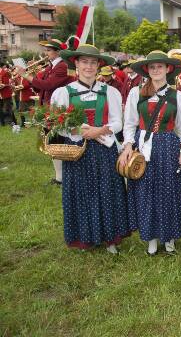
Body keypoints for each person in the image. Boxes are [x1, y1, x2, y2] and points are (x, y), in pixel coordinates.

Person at [51, 44, 133, 253]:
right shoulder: (63, 92)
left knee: (108, 191)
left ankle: (110, 238)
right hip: (76, 150)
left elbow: (118, 122)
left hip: (104, 149)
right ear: (76, 64)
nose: (88, 66)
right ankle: (85, 237)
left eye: (93, 62)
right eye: (84, 62)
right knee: (81, 192)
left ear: (99, 65)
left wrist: (98, 131)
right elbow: (57, 123)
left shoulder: (110, 91)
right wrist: (78, 130)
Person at [118, 50, 181, 256]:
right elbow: (130, 124)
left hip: (168, 146)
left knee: (168, 191)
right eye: (152, 67)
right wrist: (128, 146)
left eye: (160, 66)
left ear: (168, 69)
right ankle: (151, 237)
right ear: (147, 70)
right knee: (145, 191)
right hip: (143, 149)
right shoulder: (136, 93)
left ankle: (168, 238)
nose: (156, 70)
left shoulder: (178, 96)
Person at [15, 39, 73, 185]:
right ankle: (59, 177)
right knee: (52, 143)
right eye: (45, 50)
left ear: (57, 51)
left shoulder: (62, 66)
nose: (45, 53)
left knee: (57, 143)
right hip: (49, 109)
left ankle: (62, 178)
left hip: (58, 110)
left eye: (48, 50)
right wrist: (31, 78)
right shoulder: (50, 67)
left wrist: (26, 75)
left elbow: (48, 85)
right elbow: (41, 87)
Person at [0, 61, 14, 126]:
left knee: (7, 108)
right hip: (1, 94)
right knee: (2, 108)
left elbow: (7, 84)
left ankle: (10, 121)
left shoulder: (4, 73)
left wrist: (2, 85)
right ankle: (3, 121)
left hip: (5, 93)